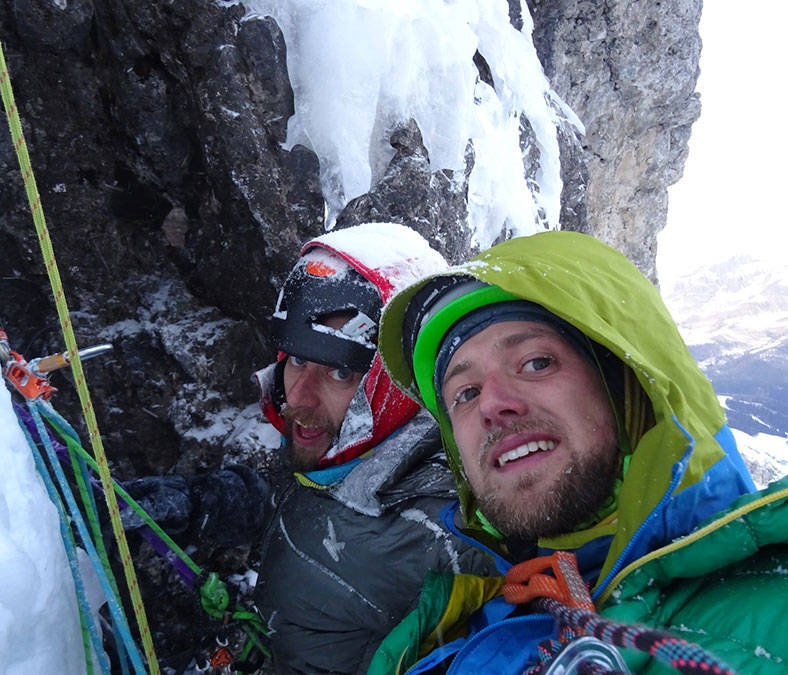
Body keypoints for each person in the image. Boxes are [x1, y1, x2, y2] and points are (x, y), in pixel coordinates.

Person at [367, 229, 788, 675]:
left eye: (536, 362)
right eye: (465, 393)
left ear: (627, 391)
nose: (490, 404)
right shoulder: (440, 631)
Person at [122, 222, 494, 675]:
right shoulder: (349, 447)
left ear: (393, 384)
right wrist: (209, 503)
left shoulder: (450, 543)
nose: (299, 396)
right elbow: (312, 502)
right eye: (298, 359)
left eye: (340, 373)